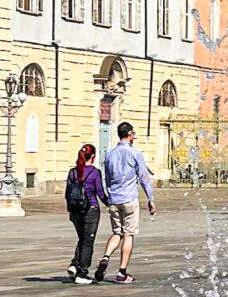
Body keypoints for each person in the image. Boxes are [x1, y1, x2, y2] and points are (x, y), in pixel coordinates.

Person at [98, 121, 159, 284]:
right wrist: (151, 199)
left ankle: (105, 257)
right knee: (128, 234)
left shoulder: (109, 154)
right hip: (129, 199)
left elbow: (108, 179)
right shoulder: (135, 153)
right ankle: (122, 272)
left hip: (114, 198)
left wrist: (110, 194)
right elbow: (144, 178)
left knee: (116, 232)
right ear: (130, 134)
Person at [63, 143, 105, 283]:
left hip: (75, 211)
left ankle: (75, 264)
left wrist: (70, 211)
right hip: (90, 210)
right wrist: (111, 204)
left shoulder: (72, 172)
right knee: (88, 242)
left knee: (82, 238)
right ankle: (82, 273)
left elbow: (67, 194)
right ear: (93, 156)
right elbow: (100, 192)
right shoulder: (94, 172)